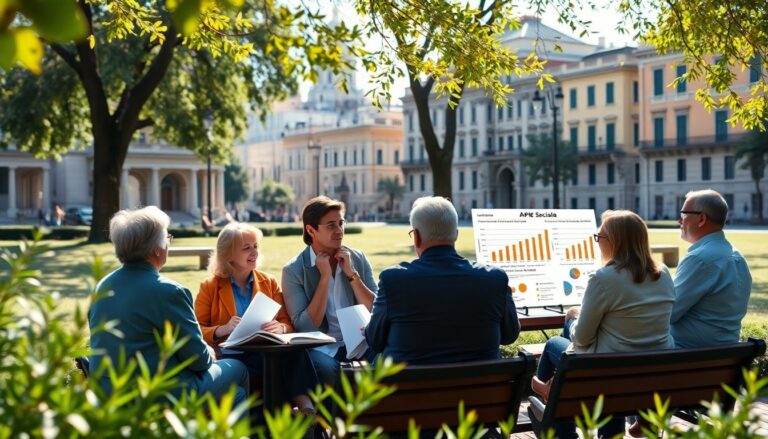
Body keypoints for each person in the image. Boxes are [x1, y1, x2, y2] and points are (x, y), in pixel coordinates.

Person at [531, 210, 676, 439]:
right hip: (650, 373)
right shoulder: (663, 274)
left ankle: (559, 420)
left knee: (553, 345)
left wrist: (572, 320)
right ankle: (554, 393)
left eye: (599, 237)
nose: (597, 243)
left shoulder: (604, 278)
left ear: (615, 241)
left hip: (607, 374)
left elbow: (582, 339)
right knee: (607, 358)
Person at [88, 206, 248, 407]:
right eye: (167, 238)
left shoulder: (101, 286)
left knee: (238, 395)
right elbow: (198, 359)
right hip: (158, 394)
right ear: (157, 248)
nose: (168, 245)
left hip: (108, 393)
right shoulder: (169, 291)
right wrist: (210, 352)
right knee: (238, 368)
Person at [365, 196, 520, 364]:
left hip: (410, 389)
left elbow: (375, 341)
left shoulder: (393, 280)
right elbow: (509, 335)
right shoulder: (494, 279)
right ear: (456, 234)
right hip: (482, 388)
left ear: (416, 236)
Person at [194, 222, 318, 414]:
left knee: (294, 352)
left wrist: (281, 328)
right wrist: (222, 329)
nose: (254, 252)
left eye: (255, 246)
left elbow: (287, 322)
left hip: (264, 352)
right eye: (246, 248)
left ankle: (306, 408)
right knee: (276, 368)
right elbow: (196, 330)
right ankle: (289, 416)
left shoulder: (268, 282)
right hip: (231, 357)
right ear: (228, 255)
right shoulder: (209, 286)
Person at [282, 196, 377, 385]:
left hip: (361, 342)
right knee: (326, 369)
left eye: (341, 223)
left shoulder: (357, 258)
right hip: (322, 348)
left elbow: (376, 309)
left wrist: (352, 274)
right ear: (311, 230)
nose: (339, 230)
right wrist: (324, 277)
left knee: (390, 357)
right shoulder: (293, 270)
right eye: (331, 225)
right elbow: (305, 327)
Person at [671, 189, 752, 348]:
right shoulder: (739, 258)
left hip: (685, 356)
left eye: (683, 215)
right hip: (723, 357)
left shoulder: (700, 258)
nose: (679, 221)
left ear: (701, 219)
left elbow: (669, 313)